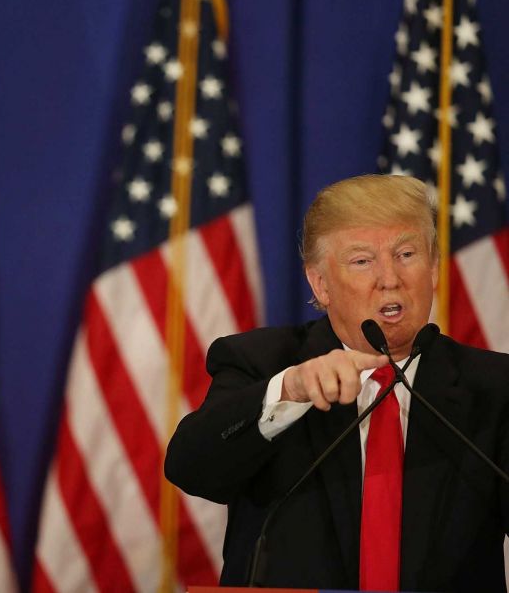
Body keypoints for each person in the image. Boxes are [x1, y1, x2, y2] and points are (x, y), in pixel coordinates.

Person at [165, 174, 509, 591]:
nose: (390, 278)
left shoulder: (494, 386)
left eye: (406, 253)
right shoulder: (262, 363)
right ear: (321, 284)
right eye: (362, 260)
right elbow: (192, 469)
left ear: (433, 267)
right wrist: (289, 391)